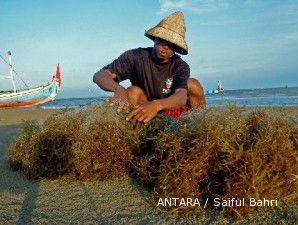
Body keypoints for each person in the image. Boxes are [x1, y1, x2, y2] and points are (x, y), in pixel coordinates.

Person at [93, 11, 205, 123]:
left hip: (172, 110)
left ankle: (200, 127)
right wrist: (118, 89)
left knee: (193, 84)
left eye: (171, 44)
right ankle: (137, 133)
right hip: (144, 109)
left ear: (176, 48)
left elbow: (181, 96)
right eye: (163, 40)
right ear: (156, 39)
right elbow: (100, 75)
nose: (166, 46)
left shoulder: (180, 66)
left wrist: (157, 105)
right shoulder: (135, 56)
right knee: (132, 91)